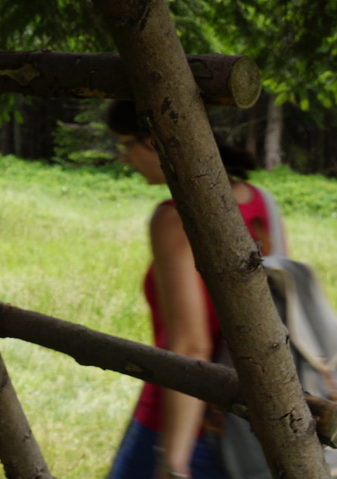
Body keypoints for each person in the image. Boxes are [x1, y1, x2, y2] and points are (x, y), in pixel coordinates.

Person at [103, 101, 288, 479]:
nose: (124, 158)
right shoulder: (260, 202)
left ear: (152, 142)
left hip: (186, 424)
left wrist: (173, 460)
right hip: (249, 424)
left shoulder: (175, 219)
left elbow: (191, 345)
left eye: (125, 144)